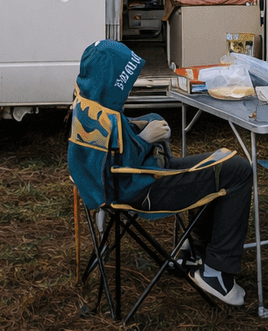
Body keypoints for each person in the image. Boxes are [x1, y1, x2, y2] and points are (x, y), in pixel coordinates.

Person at [68, 40, 254, 306]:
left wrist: (144, 126)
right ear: (112, 80)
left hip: (140, 179)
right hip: (144, 189)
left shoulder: (88, 104)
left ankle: (196, 254)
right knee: (237, 170)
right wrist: (145, 139)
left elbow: (106, 151)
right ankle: (216, 272)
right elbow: (115, 164)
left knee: (215, 165)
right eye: (126, 80)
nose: (130, 86)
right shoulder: (103, 116)